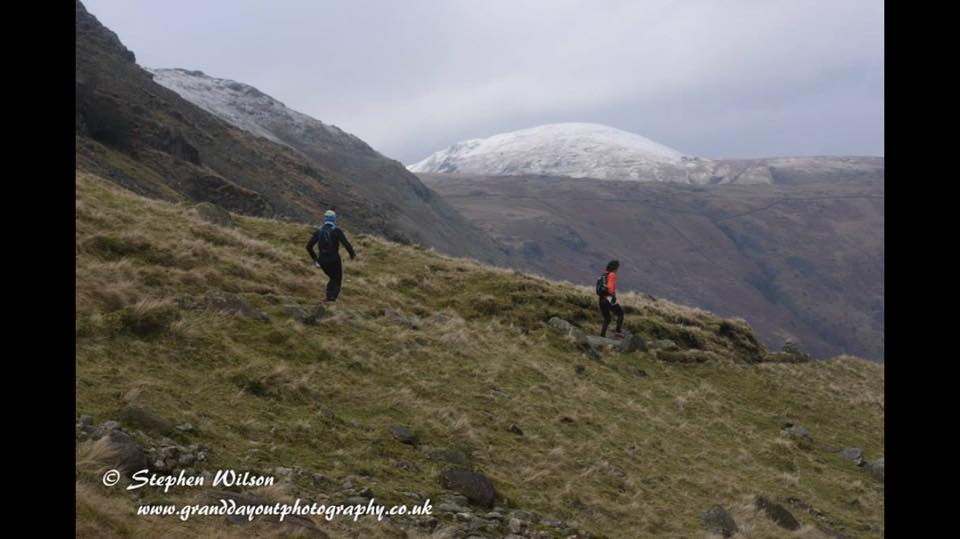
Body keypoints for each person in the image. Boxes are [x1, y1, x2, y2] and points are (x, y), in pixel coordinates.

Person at [306, 210, 356, 302]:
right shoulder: (337, 231)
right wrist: (352, 255)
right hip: (334, 260)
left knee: (332, 278)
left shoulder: (319, 231)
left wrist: (315, 259)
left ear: (325, 219)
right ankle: (331, 299)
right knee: (337, 279)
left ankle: (328, 298)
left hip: (322, 261)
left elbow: (308, 247)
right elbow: (346, 244)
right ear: (334, 219)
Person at [597, 259, 624, 339]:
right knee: (620, 313)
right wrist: (613, 297)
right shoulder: (612, 275)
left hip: (601, 299)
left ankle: (602, 335)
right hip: (608, 298)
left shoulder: (603, 275)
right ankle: (617, 332)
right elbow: (610, 289)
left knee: (607, 318)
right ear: (615, 267)